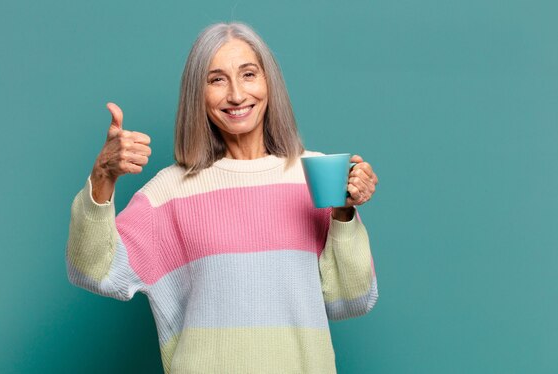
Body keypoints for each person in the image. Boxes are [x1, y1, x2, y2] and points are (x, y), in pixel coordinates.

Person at [66, 22, 379, 374]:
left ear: (269, 83)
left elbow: (351, 300)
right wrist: (102, 175)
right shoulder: (169, 192)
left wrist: (343, 215)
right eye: (216, 79)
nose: (236, 94)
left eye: (248, 74)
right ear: (196, 94)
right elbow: (92, 270)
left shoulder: (315, 175)